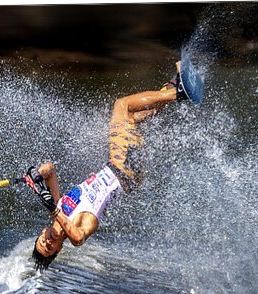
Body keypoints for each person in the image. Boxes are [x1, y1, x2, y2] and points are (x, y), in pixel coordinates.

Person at [25, 62, 187, 272]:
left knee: (134, 118)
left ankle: (172, 86)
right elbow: (77, 238)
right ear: (58, 249)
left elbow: (50, 170)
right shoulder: (78, 227)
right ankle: (178, 93)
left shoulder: (60, 207)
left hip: (120, 167)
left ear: (42, 232)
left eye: (43, 241)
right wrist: (55, 210)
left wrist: (35, 176)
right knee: (122, 106)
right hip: (124, 171)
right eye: (50, 248)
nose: (48, 243)